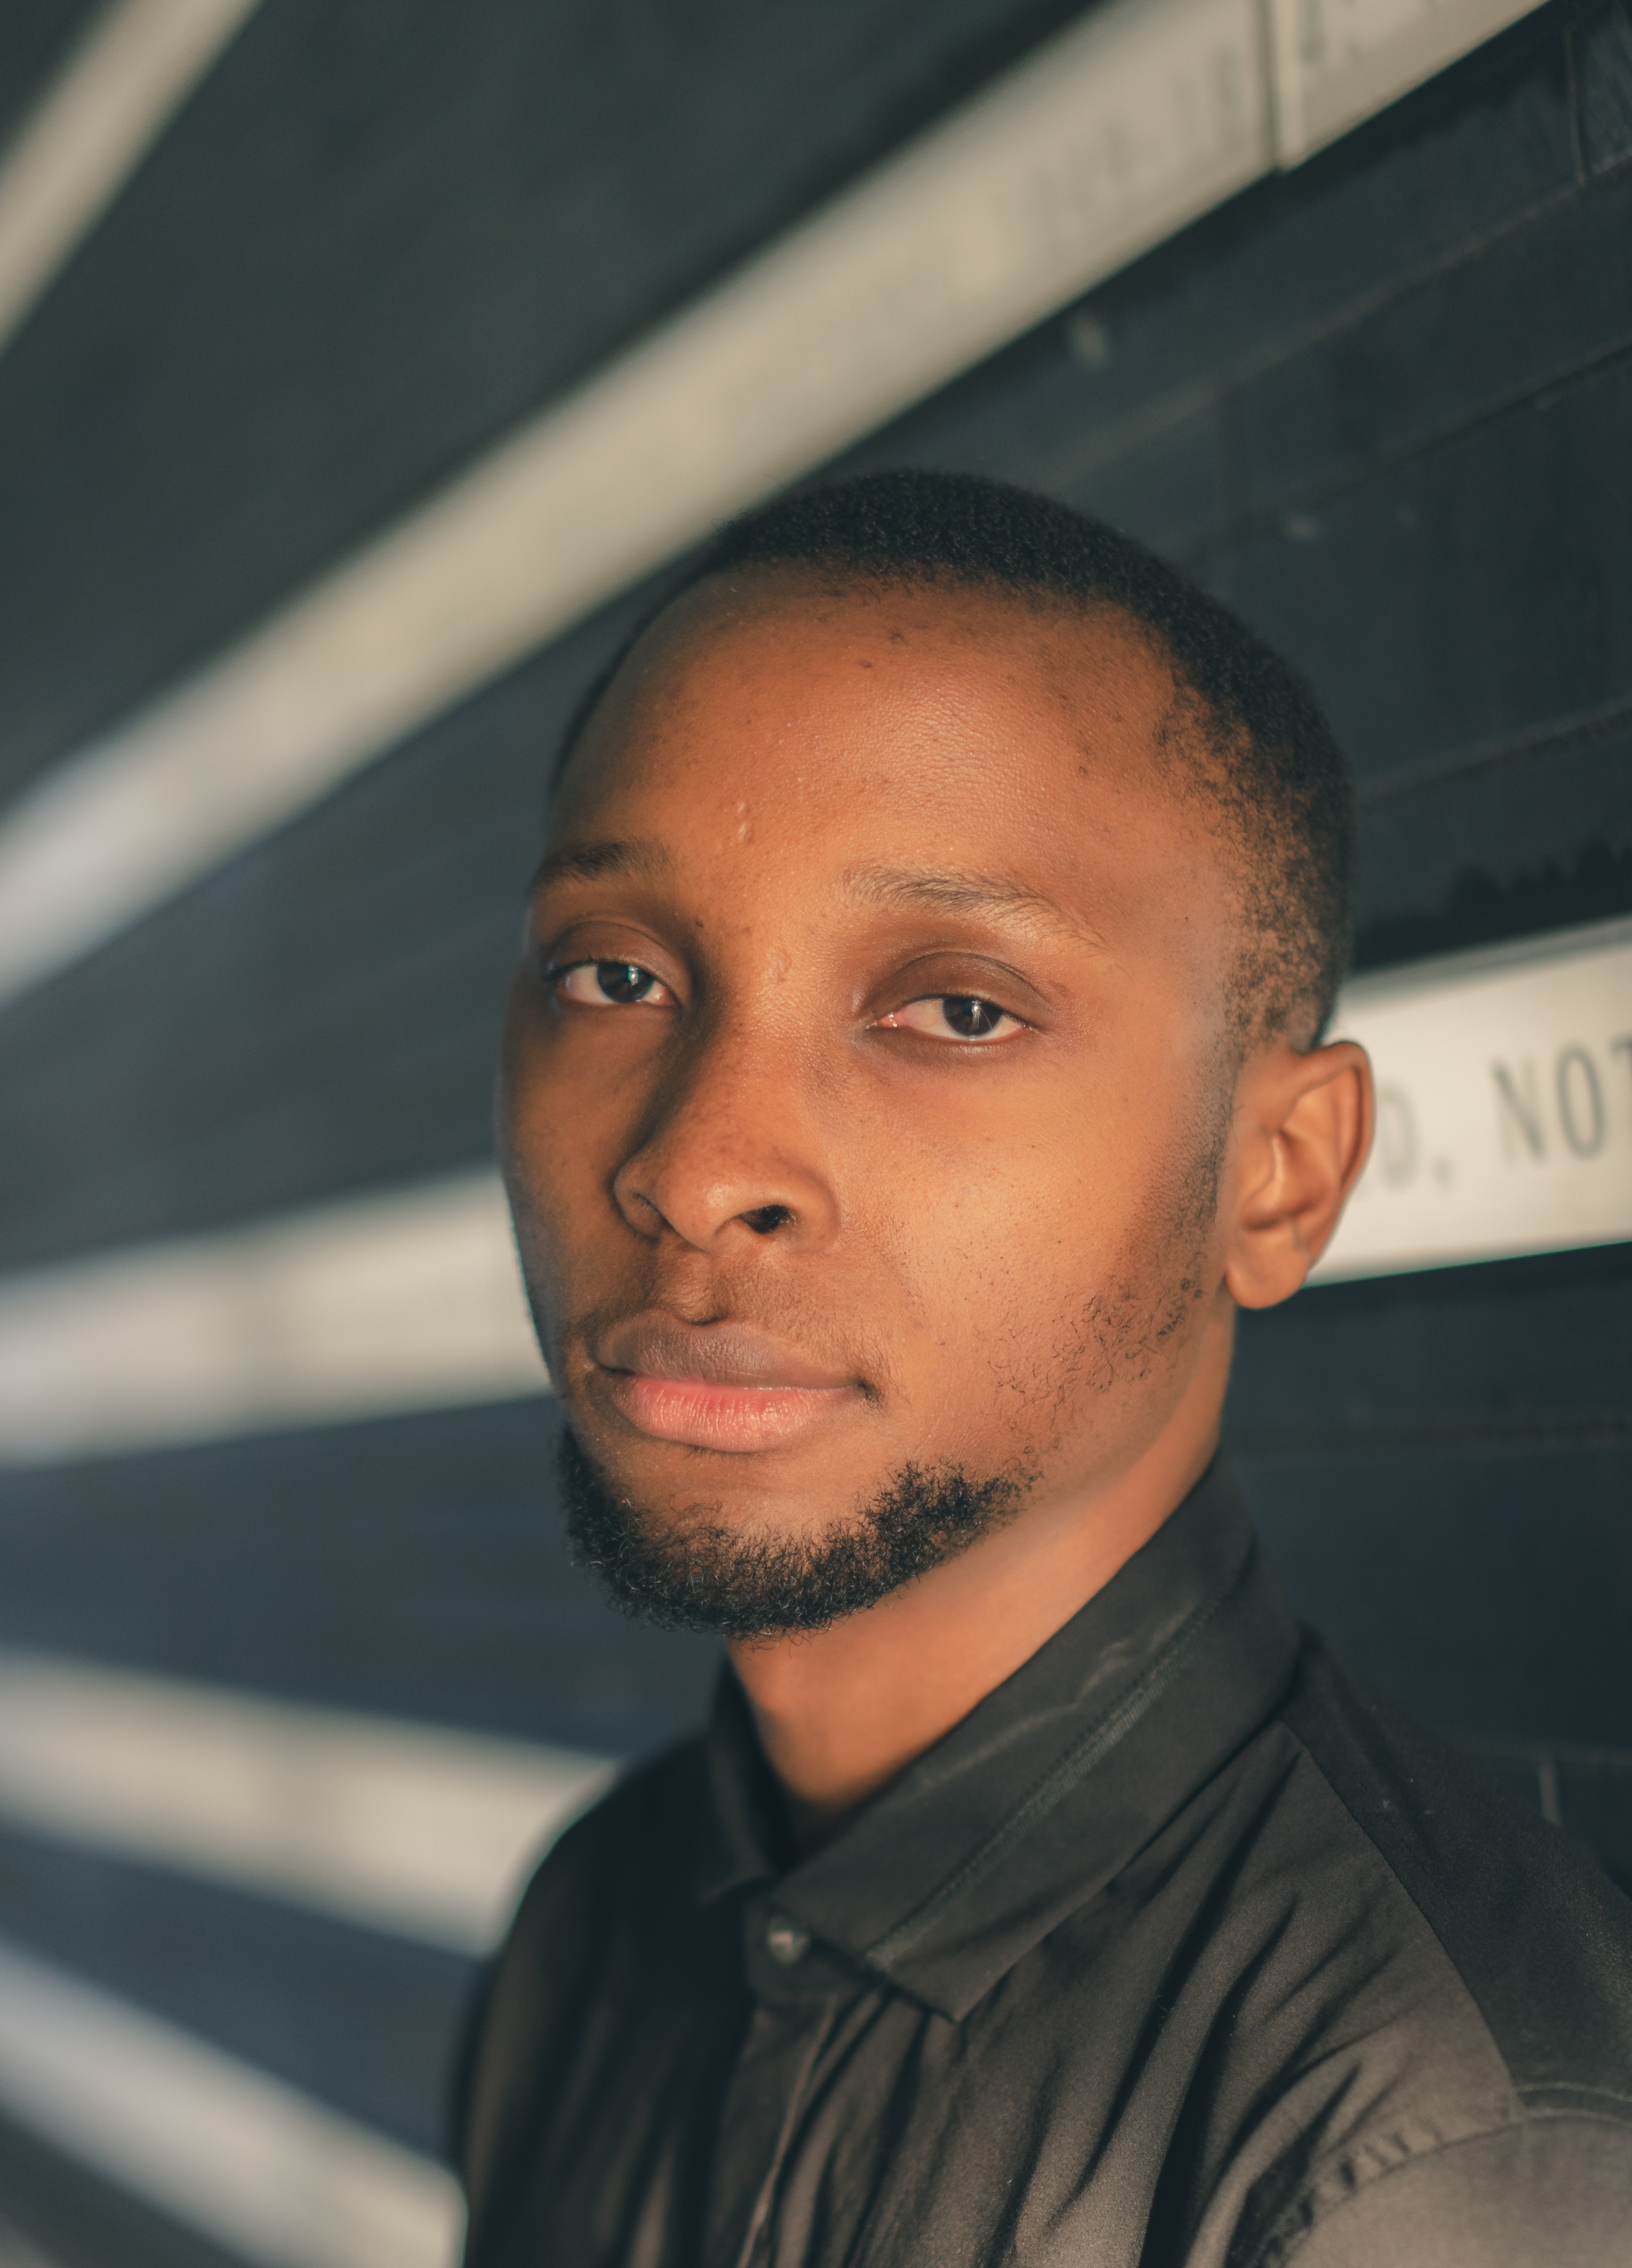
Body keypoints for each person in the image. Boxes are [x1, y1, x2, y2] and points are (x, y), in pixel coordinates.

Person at [454, 470, 1632, 2267]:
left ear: (1277, 1175)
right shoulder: (595, 1924)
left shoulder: (1423, 2145)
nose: (699, 1168)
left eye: (955, 1007)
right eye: (615, 974)